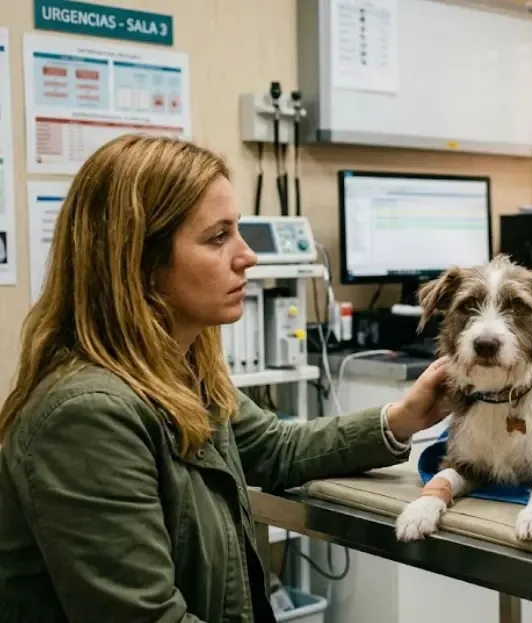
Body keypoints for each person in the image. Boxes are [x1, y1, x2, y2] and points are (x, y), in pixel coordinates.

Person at [0, 134, 452, 623]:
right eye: (218, 238)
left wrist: (406, 417)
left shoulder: (179, 373)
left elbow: (276, 448)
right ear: (140, 262)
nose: (248, 256)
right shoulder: (88, 417)